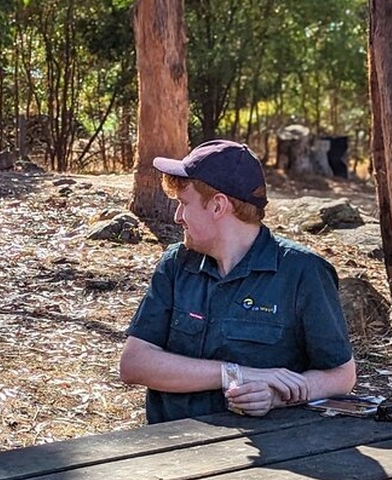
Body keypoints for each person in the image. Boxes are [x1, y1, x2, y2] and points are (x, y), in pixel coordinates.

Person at [119, 139, 356, 424]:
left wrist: (276, 396)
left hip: (274, 454)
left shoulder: (303, 272)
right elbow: (133, 364)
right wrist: (235, 373)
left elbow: (341, 376)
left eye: (184, 204)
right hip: (167, 450)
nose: (177, 217)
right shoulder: (176, 263)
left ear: (218, 205)